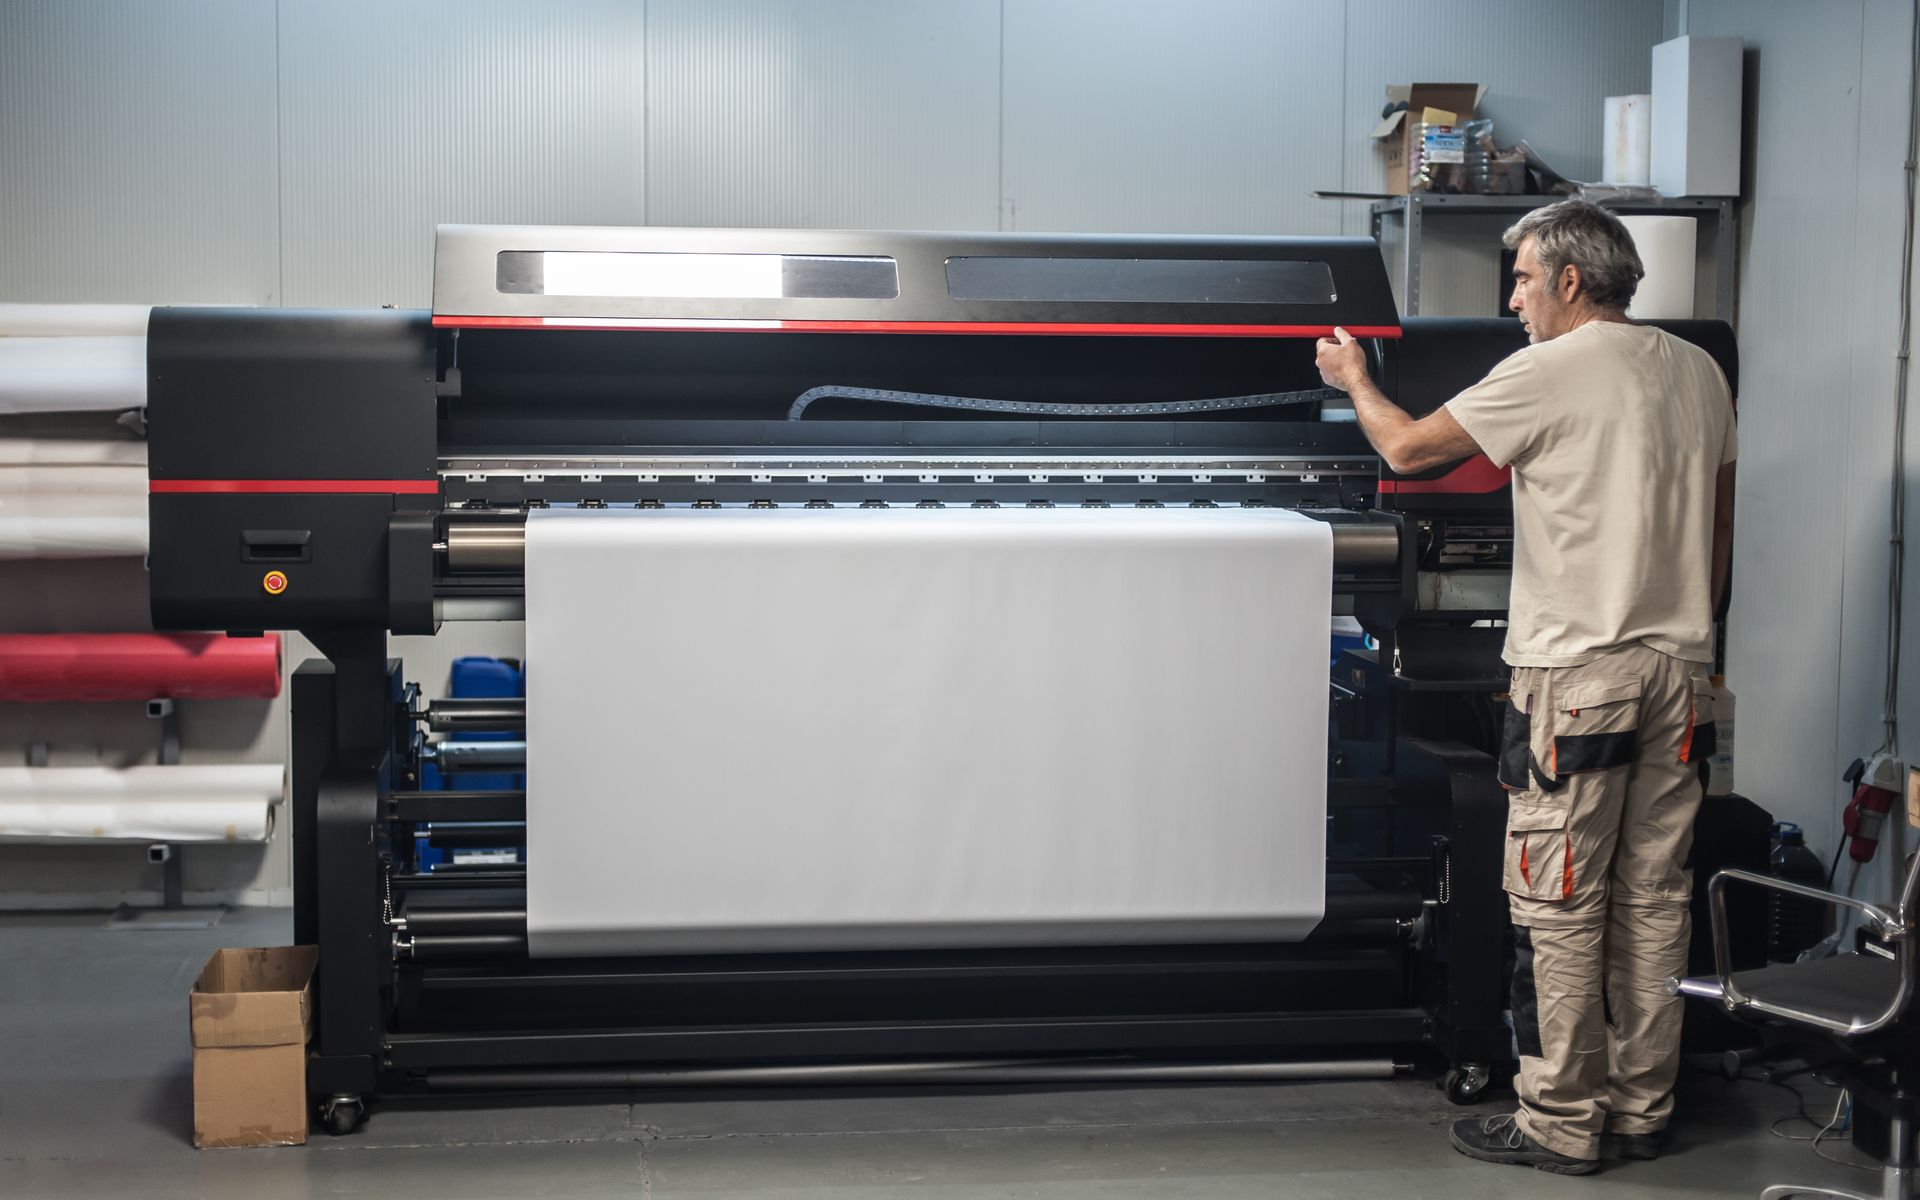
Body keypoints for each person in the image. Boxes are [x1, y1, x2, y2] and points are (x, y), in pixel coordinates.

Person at [1314, 199, 1738, 1176]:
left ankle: (1559, 1122)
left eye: (1521, 278)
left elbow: (1410, 451)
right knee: (1653, 899)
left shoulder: (1549, 369)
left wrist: (1354, 377)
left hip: (1576, 677)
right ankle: (1640, 1109)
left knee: (1558, 903)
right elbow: (1715, 535)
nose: (1513, 299)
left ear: (1571, 282)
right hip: (1681, 673)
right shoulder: (1702, 371)